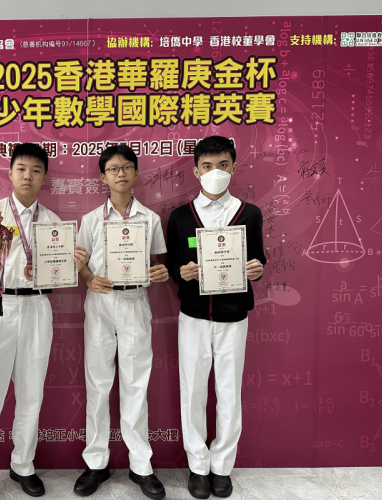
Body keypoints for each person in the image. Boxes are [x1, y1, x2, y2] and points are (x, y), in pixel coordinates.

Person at [0, 143, 89, 500]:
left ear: (44, 177)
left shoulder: (54, 223)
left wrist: (72, 264)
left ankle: (23, 464)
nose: (27, 176)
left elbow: (60, 273)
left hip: (36, 306)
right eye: (21, 169)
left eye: (35, 170)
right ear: (10, 173)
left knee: (32, 392)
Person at [165, 135, 266, 499]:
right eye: (207, 166)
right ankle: (197, 466)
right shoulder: (180, 217)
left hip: (233, 316)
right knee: (192, 390)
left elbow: (258, 259)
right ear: (196, 171)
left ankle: (222, 466)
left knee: (229, 391)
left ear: (234, 167)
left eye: (223, 165)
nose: (215, 172)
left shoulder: (249, 213)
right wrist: (182, 272)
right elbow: (173, 266)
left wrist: (256, 269)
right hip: (193, 316)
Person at [73, 145, 169, 500]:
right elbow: (79, 262)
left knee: (135, 383)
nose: (121, 174)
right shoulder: (90, 220)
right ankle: (96, 462)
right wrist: (88, 278)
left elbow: (158, 262)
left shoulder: (150, 218)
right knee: (98, 384)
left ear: (136, 173)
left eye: (127, 167)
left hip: (134, 302)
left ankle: (141, 464)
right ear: (103, 177)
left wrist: (160, 272)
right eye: (113, 169)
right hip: (101, 303)